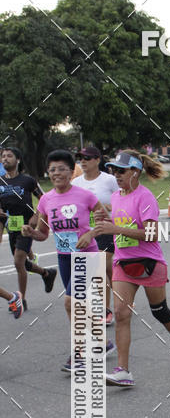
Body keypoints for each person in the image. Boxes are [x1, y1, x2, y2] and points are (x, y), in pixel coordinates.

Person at [93, 150, 170, 388]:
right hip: (123, 263)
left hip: (149, 263)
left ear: (135, 172)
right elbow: (120, 222)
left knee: (159, 311)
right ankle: (123, 371)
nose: (117, 175)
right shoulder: (116, 196)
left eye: (122, 171)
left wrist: (115, 229)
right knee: (121, 313)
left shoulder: (145, 197)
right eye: (114, 171)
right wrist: (104, 220)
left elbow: (152, 234)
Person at [22, 150, 114, 372]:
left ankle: (79, 353)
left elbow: (107, 221)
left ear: (72, 171)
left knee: (70, 302)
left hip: (87, 255)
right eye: (52, 169)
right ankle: (103, 343)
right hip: (64, 258)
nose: (56, 173)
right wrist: (31, 233)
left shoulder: (85, 196)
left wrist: (90, 234)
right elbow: (43, 233)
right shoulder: (46, 199)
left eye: (62, 169)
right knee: (77, 305)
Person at [0, 147, 57, 308]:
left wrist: (36, 216)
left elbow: (44, 199)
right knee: (23, 264)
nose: (5, 159)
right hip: (11, 226)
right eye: (3, 156)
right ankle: (47, 273)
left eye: (9, 156)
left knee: (18, 261)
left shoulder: (27, 180)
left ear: (18, 160)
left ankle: (20, 299)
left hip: (27, 226)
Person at [72, 147, 119, 326]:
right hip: (85, 233)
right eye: (80, 158)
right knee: (105, 270)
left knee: (100, 268)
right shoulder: (76, 183)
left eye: (87, 158)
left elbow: (122, 200)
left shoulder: (109, 180)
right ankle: (122, 297)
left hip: (105, 229)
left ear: (97, 160)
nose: (83, 161)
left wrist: (107, 208)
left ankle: (106, 310)